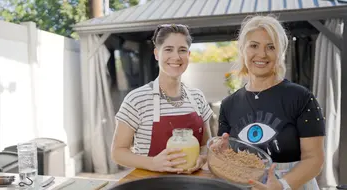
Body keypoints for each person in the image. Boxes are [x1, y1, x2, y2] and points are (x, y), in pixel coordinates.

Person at [215, 15, 325, 190]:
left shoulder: (301, 97)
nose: (262, 54)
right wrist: (220, 153)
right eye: (254, 46)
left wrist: (281, 185)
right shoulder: (229, 105)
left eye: (271, 47)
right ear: (242, 49)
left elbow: (315, 159)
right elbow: (227, 159)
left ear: (280, 52)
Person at [111, 24, 213, 174]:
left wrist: (203, 158)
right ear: (157, 54)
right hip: (151, 184)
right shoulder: (137, 99)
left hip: (192, 183)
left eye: (182, 50)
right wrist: (152, 163)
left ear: (189, 55)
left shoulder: (197, 97)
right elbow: (118, 152)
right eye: (168, 49)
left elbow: (206, 145)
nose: (176, 57)